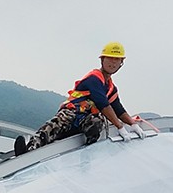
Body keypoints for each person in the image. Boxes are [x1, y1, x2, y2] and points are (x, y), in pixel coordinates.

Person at [15, 41, 144, 155]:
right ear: (102, 60)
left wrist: (132, 124)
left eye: (117, 59)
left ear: (121, 63)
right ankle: (29, 150)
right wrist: (120, 126)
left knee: (96, 121)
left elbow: (118, 109)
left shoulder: (110, 88)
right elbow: (103, 104)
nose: (113, 63)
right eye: (110, 58)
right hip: (72, 113)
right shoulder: (94, 78)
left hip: (86, 119)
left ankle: (87, 152)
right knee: (55, 125)